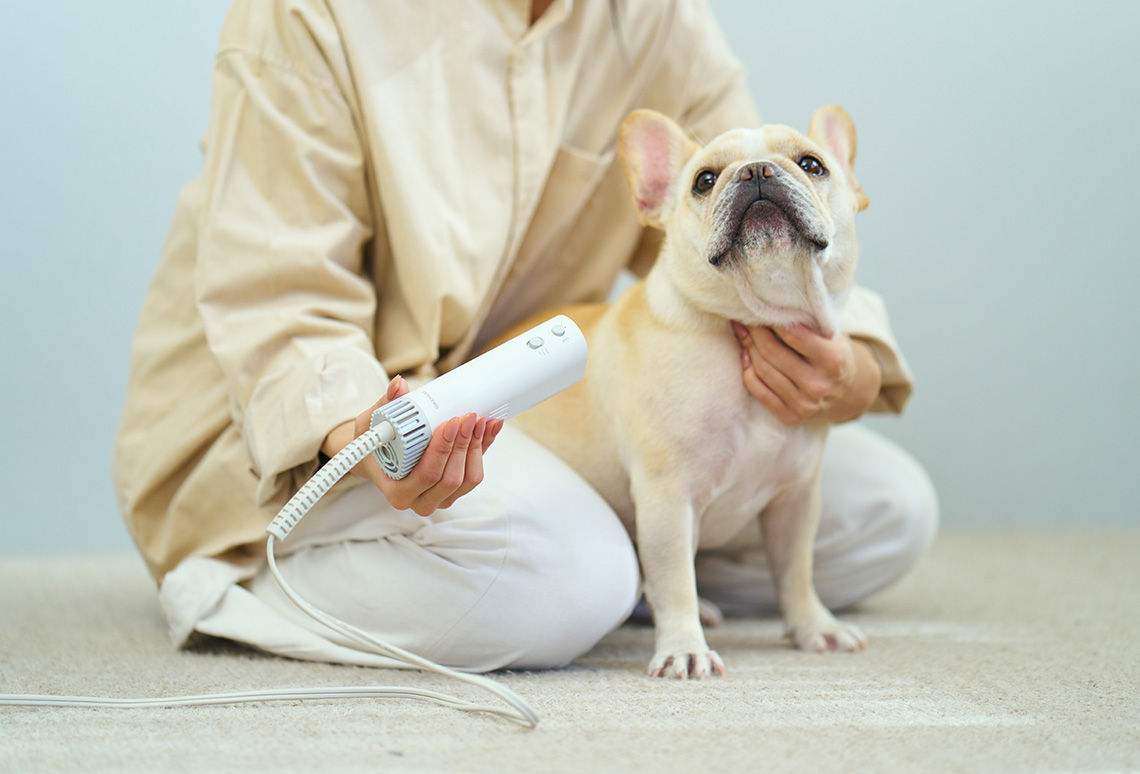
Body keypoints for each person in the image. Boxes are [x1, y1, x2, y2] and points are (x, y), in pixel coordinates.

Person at [113, 0, 937, 672]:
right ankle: (242, 586)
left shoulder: (656, 16)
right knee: (575, 579)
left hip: (533, 407)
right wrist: (365, 432)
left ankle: (624, 570)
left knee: (887, 513)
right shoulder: (308, 11)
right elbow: (279, 288)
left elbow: (763, 197)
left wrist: (852, 363)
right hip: (306, 416)